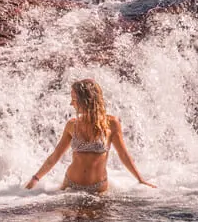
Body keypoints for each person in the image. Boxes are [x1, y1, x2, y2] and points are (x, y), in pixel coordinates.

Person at [25, 79, 156, 194]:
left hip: (98, 188)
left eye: (74, 99)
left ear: (86, 101)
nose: (71, 104)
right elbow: (55, 156)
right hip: (70, 186)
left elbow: (124, 155)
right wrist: (35, 179)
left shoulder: (112, 123)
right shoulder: (72, 125)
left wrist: (140, 179)